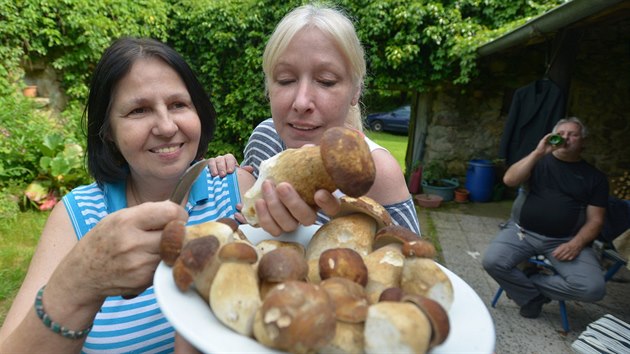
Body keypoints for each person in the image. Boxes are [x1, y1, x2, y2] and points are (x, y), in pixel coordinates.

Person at [0, 37, 254, 353]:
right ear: (107, 131)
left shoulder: (235, 190)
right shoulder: (78, 217)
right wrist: (81, 279)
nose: (165, 126)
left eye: (178, 104)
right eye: (139, 110)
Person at [209, 3, 421, 236]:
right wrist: (229, 180)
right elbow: (252, 219)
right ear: (269, 87)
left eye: (326, 81)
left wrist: (346, 226)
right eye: (286, 79)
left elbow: (416, 263)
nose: (301, 102)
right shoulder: (265, 137)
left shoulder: (376, 172)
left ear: (355, 91)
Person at [482, 117, 609, 319]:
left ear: (583, 141)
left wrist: (577, 243)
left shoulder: (595, 178)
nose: (566, 137)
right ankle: (532, 297)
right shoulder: (538, 161)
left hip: (564, 240)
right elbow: (509, 180)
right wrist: (538, 152)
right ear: (553, 137)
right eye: (562, 133)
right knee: (492, 261)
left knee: (593, 288)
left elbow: (596, 220)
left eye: (573, 134)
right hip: (522, 232)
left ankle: (528, 283)